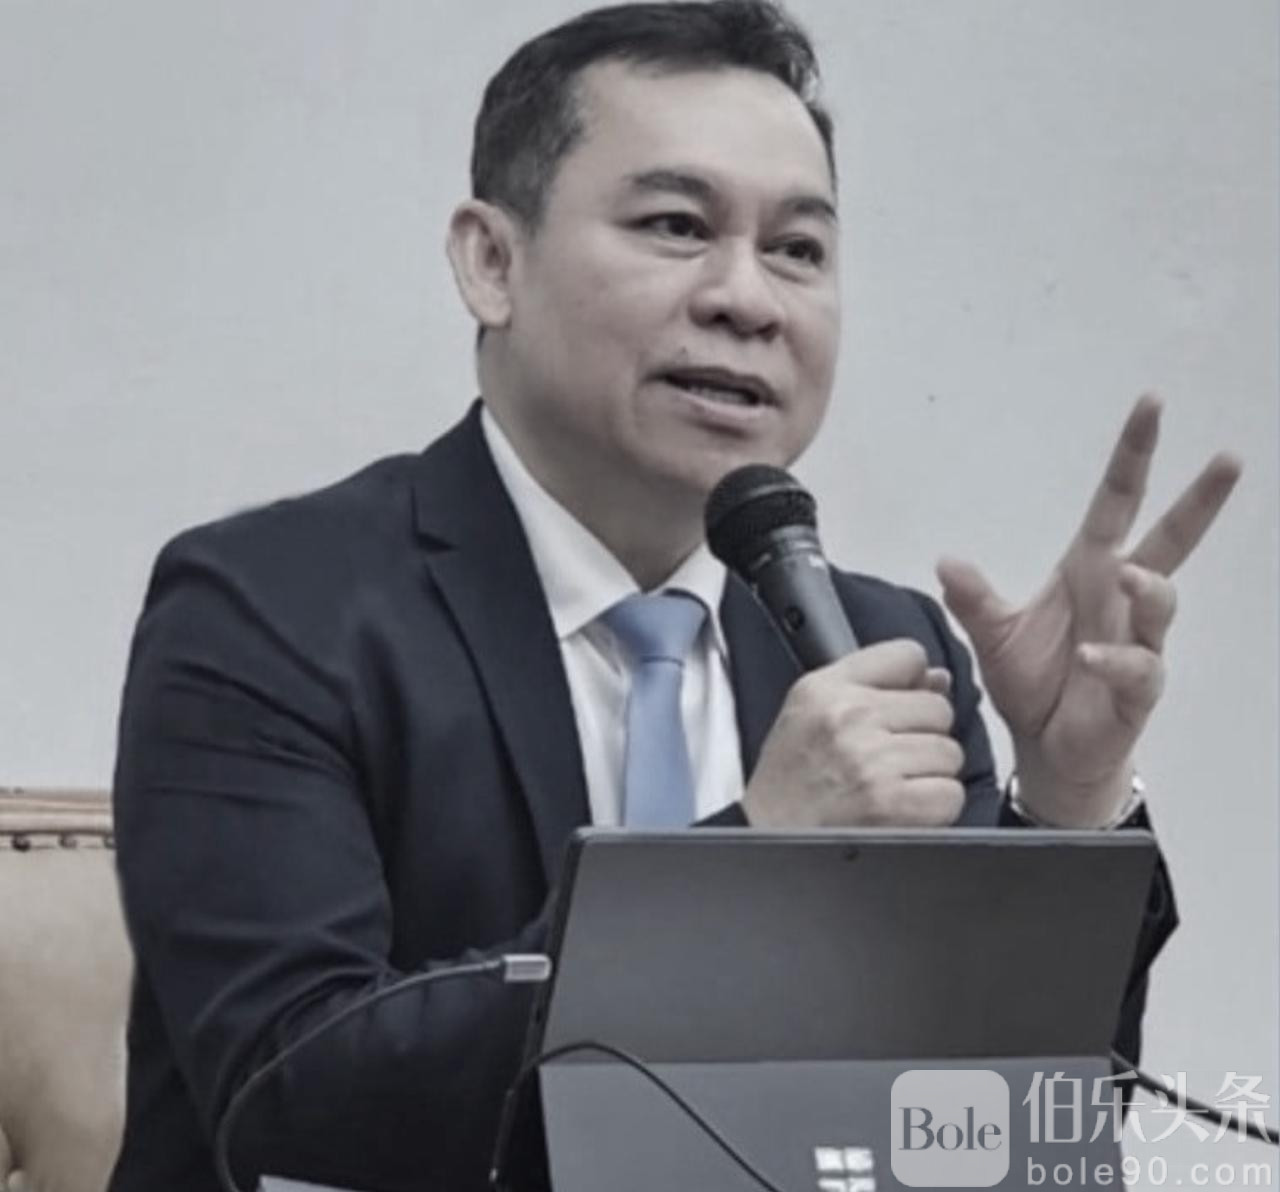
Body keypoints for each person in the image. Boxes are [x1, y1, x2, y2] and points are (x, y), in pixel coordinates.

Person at [107, 3, 1241, 1191]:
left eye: (796, 249)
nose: (747, 299)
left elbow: (1002, 1130)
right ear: (491, 262)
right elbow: (290, 1093)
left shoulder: (877, 648)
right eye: (675, 226)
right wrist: (747, 867)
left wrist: (1061, 805)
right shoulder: (268, 609)